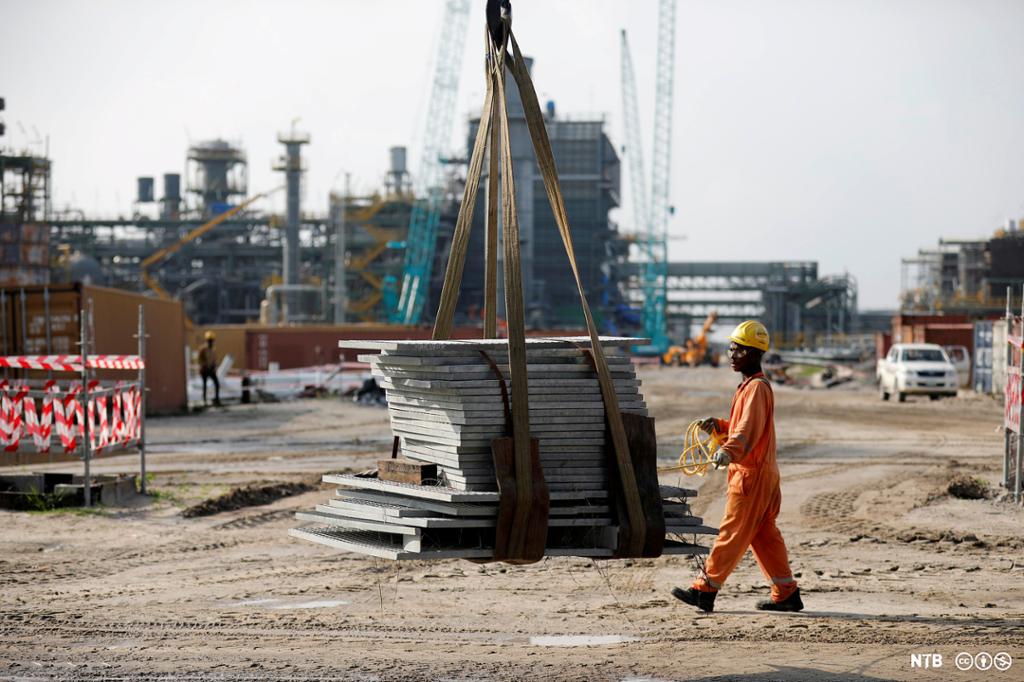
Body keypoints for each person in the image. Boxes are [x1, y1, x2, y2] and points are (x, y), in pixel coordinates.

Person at [671, 320, 803, 613]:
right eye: (731, 349)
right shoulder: (751, 387)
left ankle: (704, 590)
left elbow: (746, 430)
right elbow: (742, 427)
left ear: (754, 354)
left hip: (751, 476)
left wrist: (729, 451)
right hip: (762, 474)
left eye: (738, 350)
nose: (732, 355)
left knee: (731, 532)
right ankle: (786, 593)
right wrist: (719, 427)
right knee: (763, 534)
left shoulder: (755, 388)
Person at [198, 330, 221, 407]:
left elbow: (214, 360)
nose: (211, 342)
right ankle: (204, 400)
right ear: (207, 341)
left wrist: (214, 367)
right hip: (204, 370)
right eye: (209, 341)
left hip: (210, 370)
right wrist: (204, 366)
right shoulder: (202, 349)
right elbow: (199, 360)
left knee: (217, 384)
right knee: (204, 385)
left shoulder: (213, 350)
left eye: (212, 341)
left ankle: (216, 399)